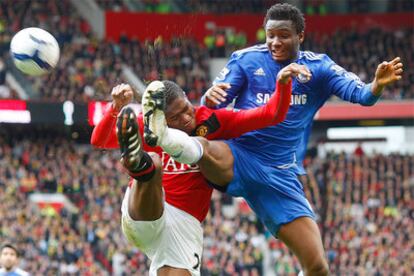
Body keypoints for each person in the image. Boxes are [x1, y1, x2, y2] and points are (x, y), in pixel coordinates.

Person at [144, 3, 404, 276]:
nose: (275, 42)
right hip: (239, 155)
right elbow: (212, 106)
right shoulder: (245, 60)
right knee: (206, 148)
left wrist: (376, 86)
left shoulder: (320, 68)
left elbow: (362, 95)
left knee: (317, 266)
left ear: (300, 36)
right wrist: (208, 98)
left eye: (283, 35)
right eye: (270, 35)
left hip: (279, 175)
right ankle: (164, 137)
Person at [90, 63, 308, 275]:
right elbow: (99, 141)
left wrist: (283, 83)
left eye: (186, 108)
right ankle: (140, 168)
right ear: (160, 119)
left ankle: (142, 166)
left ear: (186, 97)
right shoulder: (147, 125)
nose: (186, 118)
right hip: (145, 209)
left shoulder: (211, 120)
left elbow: (272, 114)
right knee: (154, 163)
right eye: (175, 118)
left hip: (184, 224)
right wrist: (115, 108)